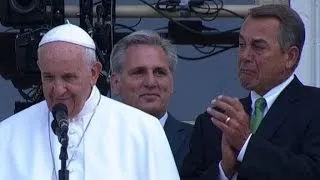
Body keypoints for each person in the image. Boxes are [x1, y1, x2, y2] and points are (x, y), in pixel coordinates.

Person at [0, 23, 180, 180]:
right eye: (49, 77)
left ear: (93, 73)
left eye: (68, 77)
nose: (59, 89)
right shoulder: (8, 134)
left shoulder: (143, 129)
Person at [181, 4, 320, 180]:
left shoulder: (314, 108)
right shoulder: (214, 122)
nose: (245, 56)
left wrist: (246, 144)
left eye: (258, 46)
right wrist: (224, 170)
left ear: (290, 57)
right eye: (241, 44)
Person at [109, 30, 193, 172]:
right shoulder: (97, 141)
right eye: (139, 72)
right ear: (115, 83)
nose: (151, 82)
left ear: (171, 82)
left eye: (159, 72)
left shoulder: (197, 141)